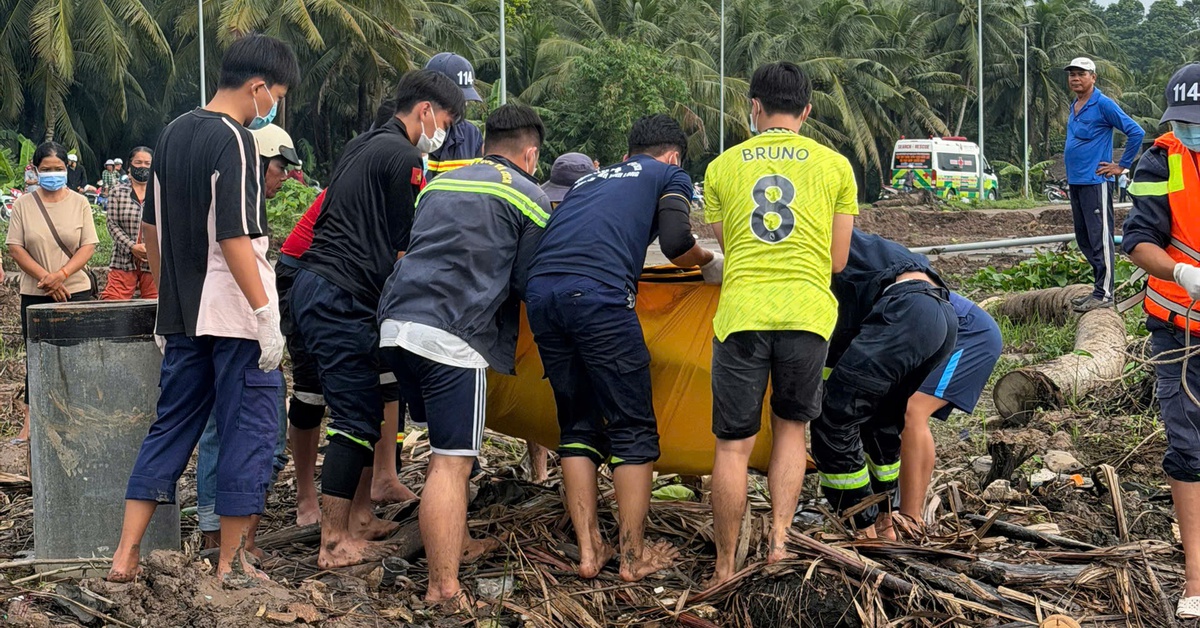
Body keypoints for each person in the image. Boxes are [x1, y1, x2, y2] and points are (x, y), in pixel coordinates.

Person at [106, 33, 299, 585]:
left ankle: (125, 554)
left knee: (170, 427)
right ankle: (230, 565)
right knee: (248, 429)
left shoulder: (171, 133)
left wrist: (170, 304)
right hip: (235, 316)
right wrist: (265, 317)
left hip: (186, 315)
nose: (273, 107)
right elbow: (237, 237)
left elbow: (151, 229)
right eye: (276, 96)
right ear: (259, 87)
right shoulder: (236, 140)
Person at [525, 114, 721, 581]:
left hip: (541, 296)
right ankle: (633, 556)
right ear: (673, 154)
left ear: (628, 151)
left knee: (577, 422)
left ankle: (590, 550)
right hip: (597, 298)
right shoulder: (669, 174)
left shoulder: (589, 180)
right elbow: (676, 243)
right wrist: (708, 262)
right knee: (632, 425)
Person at [378, 103, 550, 608]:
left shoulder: (438, 184)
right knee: (451, 463)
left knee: (446, 453)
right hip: (452, 337)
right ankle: (443, 587)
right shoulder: (531, 197)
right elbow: (526, 282)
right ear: (531, 153)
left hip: (395, 325)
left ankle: (460, 542)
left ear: (483, 144)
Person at [291, 69, 464, 569]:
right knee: (355, 418)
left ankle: (359, 521)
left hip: (315, 283)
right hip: (341, 295)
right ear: (425, 110)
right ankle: (334, 542)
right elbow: (404, 244)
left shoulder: (362, 144)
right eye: (445, 121)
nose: (444, 133)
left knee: (358, 407)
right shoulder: (406, 157)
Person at [701, 61, 857, 589]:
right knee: (791, 430)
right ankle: (780, 544)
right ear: (807, 111)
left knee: (732, 446)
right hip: (808, 316)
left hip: (742, 313)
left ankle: (724, 566)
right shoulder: (836, 167)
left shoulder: (721, 167)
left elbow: (730, 245)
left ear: (754, 106)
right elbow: (838, 261)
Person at [193, 123, 303, 553]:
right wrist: (264, 318)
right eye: (279, 167)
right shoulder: (240, 206)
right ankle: (235, 541)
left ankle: (219, 533)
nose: (282, 177)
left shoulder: (232, 198)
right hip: (240, 328)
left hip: (222, 323)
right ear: (259, 163)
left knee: (222, 431)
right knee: (257, 435)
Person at [811, 229, 957, 539]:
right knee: (880, 422)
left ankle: (862, 531)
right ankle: (885, 524)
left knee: (834, 417)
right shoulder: (850, 241)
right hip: (940, 313)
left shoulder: (812, 242)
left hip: (905, 311)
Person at [1123, 62, 1200, 620]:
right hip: (1179, 332)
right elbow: (1139, 240)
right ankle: (1197, 580)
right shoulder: (1160, 157)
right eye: (1186, 122)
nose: (1191, 132)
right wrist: (1179, 272)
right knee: (1189, 447)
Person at [6, 141, 97, 444]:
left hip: (76, 291)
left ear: (67, 170)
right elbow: (15, 247)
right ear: (35, 171)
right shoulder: (22, 205)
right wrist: (47, 277)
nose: (53, 174)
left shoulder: (80, 203)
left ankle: (77, 416)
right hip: (35, 292)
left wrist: (62, 275)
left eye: (58, 169)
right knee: (37, 356)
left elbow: (88, 246)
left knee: (75, 356)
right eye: (47, 170)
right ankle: (31, 423)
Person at [897, 292, 1001, 526]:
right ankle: (899, 505)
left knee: (912, 411)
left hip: (967, 334)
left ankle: (911, 519)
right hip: (926, 331)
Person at [1062, 57, 1144, 313]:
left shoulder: (1103, 104)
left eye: (1081, 74)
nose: (1076, 78)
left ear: (1093, 77)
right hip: (1076, 181)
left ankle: (1106, 293)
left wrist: (1122, 165)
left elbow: (1136, 132)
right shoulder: (1075, 105)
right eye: (1072, 74)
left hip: (1096, 182)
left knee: (1100, 238)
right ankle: (1098, 290)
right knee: (1084, 238)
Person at [101, 147, 157, 300]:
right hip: (123, 259)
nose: (143, 167)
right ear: (130, 165)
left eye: (147, 163)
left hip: (154, 261)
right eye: (138, 162)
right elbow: (112, 224)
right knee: (113, 303)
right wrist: (132, 247)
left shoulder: (161, 193)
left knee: (155, 306)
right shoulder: (117, 192)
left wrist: (152, 248)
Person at [423, 52, 484, 178]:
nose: (462, 106)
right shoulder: (405, 133)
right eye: (456, 100)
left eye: (465, 100)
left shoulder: (471, 136)